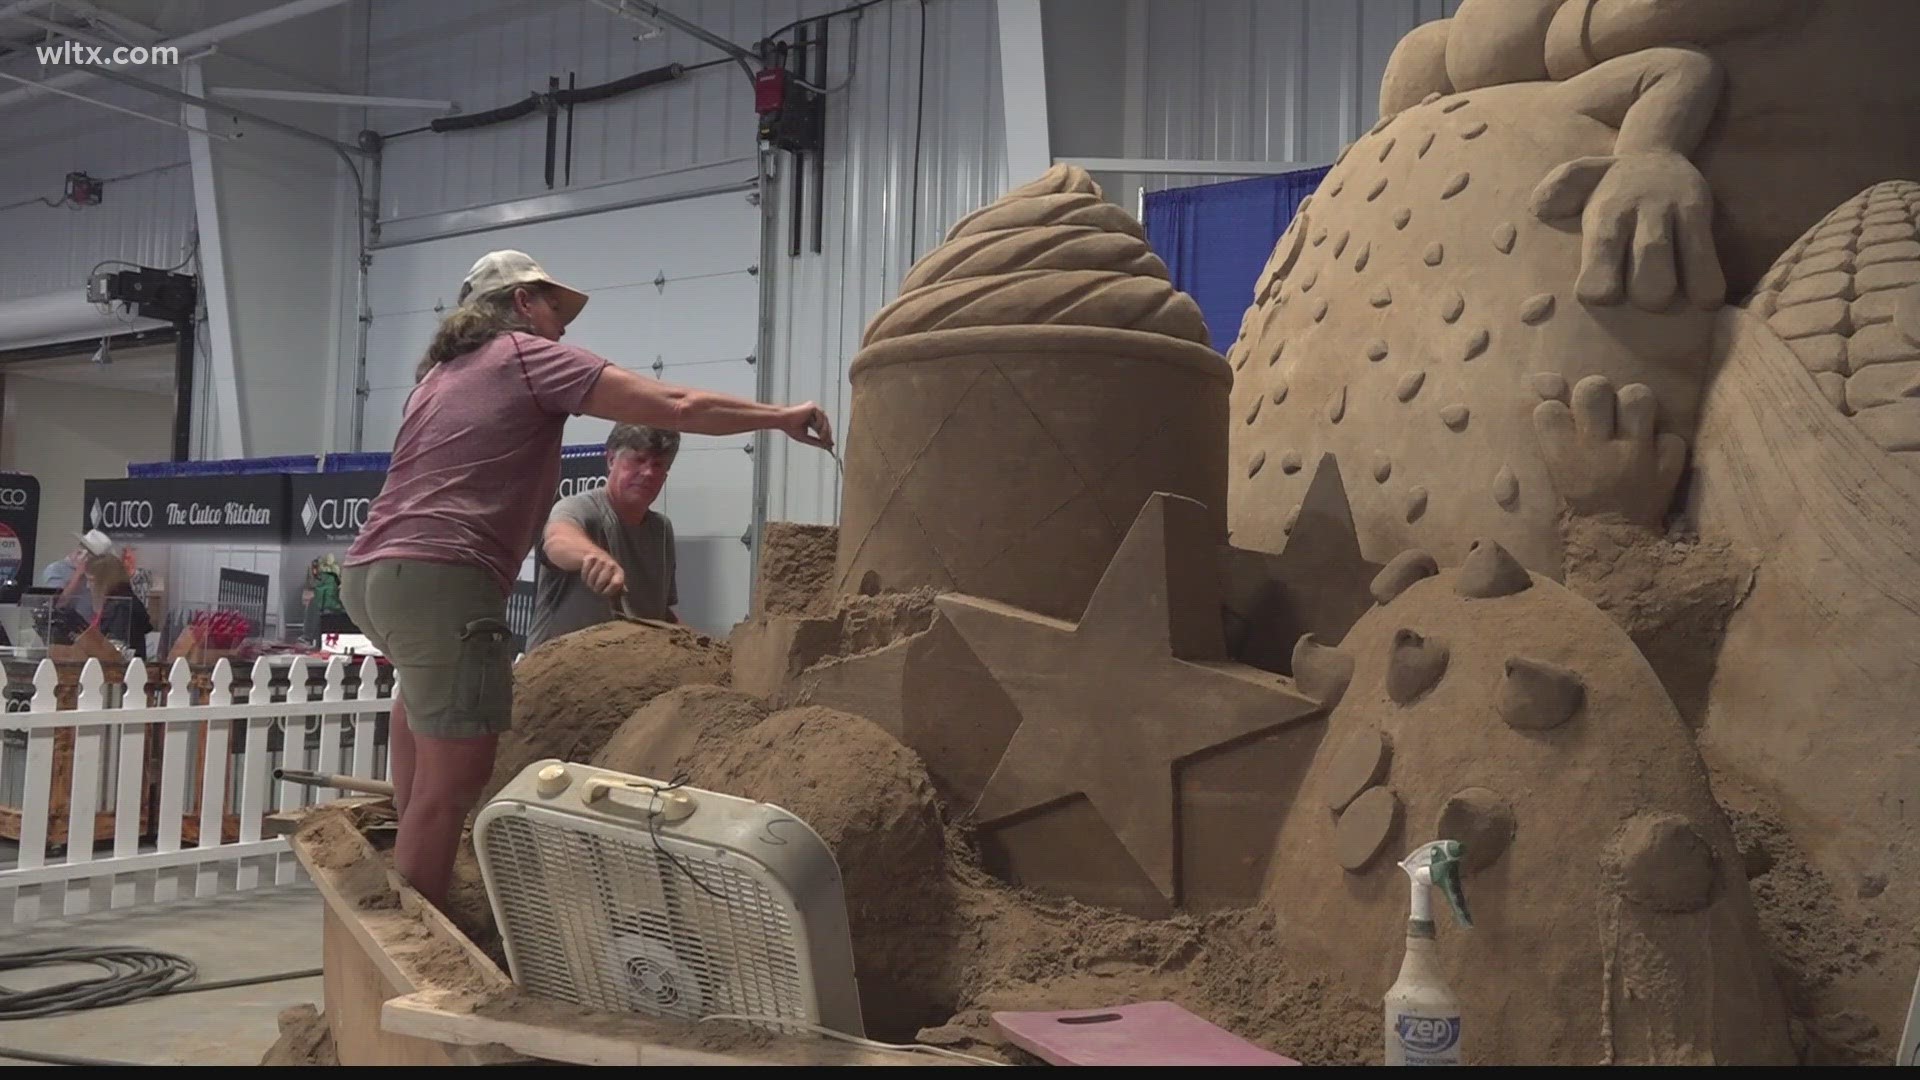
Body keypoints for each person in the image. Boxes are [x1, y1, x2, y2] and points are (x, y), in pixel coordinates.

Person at [339, 250, 833, 905]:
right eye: (553, 307)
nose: (563, 325)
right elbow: (675, 404)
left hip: (373, 572)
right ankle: (417, 929)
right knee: (457, 778)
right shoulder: (523, 355)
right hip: (442, 575)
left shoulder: (438, 376)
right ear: (520, 303)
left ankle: (410, 863)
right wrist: (779, 416)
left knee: (420, 713)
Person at [524, 424, 681, 653]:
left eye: (657, 465)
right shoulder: (581, 508)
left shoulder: (661, 529)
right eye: (638, 459)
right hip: (562, 670)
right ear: (610, 460)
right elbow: (558, 539)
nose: (648, 472)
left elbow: (660, 613)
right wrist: (593, 556)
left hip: (629, 669)